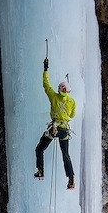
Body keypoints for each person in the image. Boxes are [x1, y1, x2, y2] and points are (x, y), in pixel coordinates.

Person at [34, 57, 76, 189]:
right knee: (65, 154)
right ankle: (71, 180)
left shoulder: (54, 96)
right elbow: (72, 115)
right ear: (68, 91)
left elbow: (46, 84)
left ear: (59, 90)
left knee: (40, 148)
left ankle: (40, 171)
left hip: (54, 128)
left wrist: (45, 69)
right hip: (64, 130)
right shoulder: (72, 102)